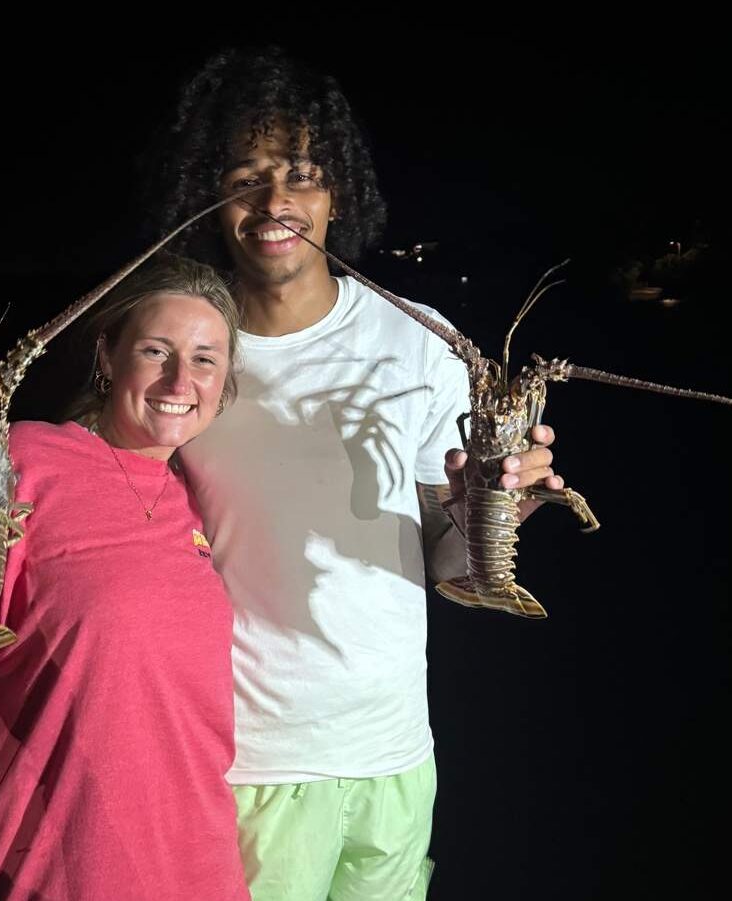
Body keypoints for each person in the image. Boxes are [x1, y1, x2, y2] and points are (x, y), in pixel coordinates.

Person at [149, 48, 565, 900]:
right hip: (248, 764)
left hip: (398, 756)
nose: (276, 203)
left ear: (338, 193)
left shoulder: (425, 340)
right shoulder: (182, 355)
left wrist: (499, 512)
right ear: (209, 194)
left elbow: (445, 562)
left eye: (302, 174)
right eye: (247, 176)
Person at [0, 254, 251, 901]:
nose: (180, 378)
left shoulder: (197, 495)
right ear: (107, 355)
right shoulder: (22, 458)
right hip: (48, 877)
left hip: (200, 872)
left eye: (205, 358)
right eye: (156, 350)